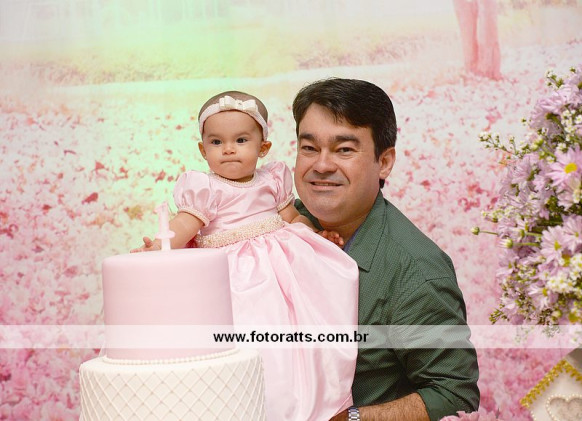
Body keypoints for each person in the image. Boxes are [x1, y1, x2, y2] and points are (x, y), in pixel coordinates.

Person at [132, 90, 359, 421]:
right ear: (202, 150)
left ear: (262, 147)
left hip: (275, 271)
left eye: (240, 140)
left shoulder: (272, 179)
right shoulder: (205, 188)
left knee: (287, 332)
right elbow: (183, 225)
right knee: (241, 335)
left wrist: (315, 234)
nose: (228, 149)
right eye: (216, 142)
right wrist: (159, 246)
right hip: (231, 276)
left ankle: (290, 397)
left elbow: (292, 218)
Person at [292, 79, 480, 421]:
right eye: (309, 148)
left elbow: (453, 393)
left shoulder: (415, 271)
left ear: (384, 162)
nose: (321, 165)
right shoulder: (273, 227)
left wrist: (353, 418)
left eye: (344, 150)